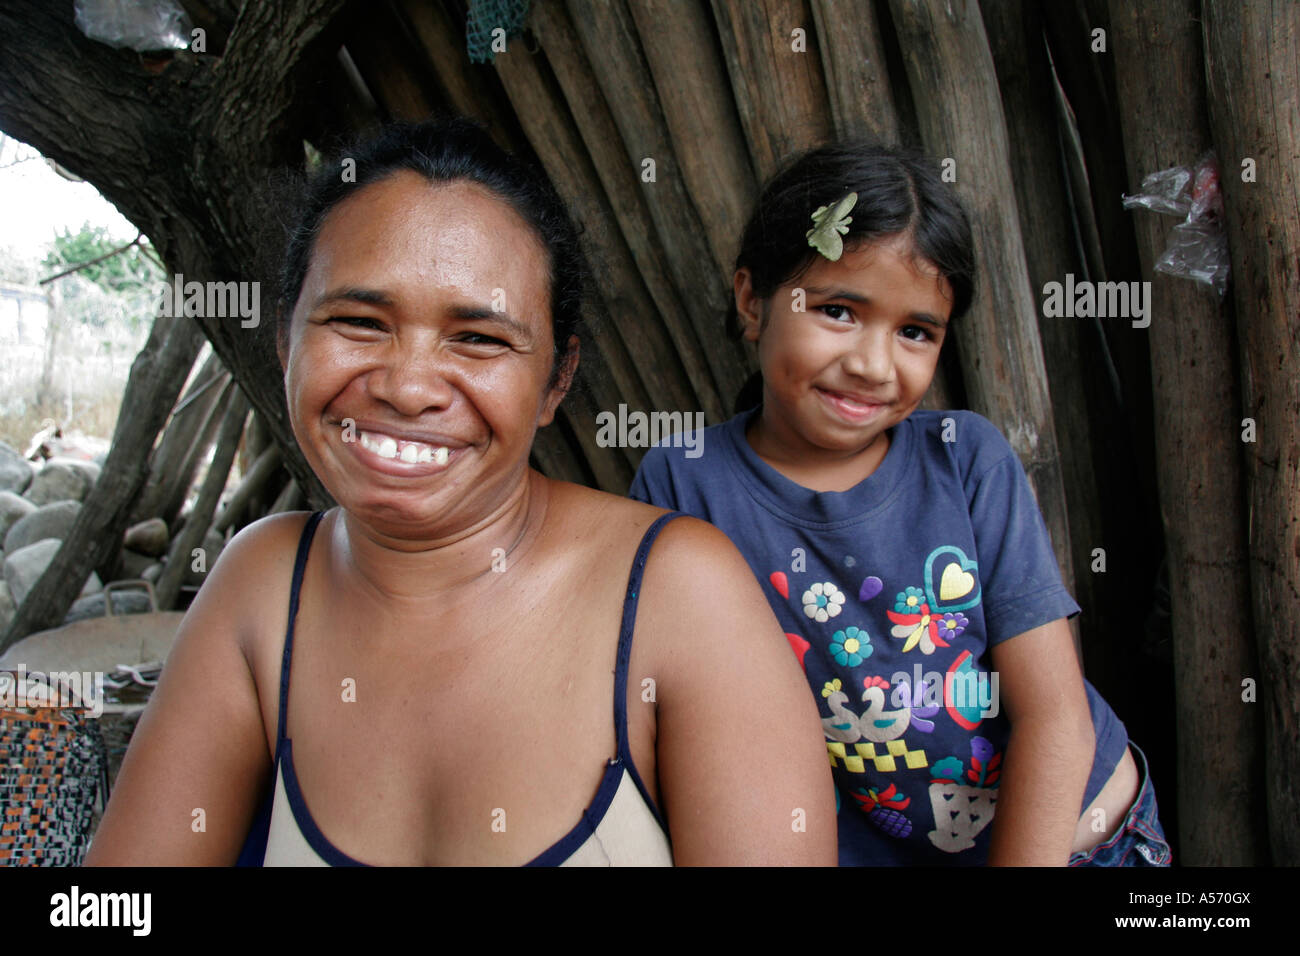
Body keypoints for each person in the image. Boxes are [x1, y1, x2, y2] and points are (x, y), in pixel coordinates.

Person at [85, 119, 836, 866]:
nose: (408, 388)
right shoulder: (262, 585)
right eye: (357, 321)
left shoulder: (678, 595)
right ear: (286, 342)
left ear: (556, 381)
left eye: (478, 339)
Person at [629, 142, 1171, 867]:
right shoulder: (684, 486)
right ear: (753, 301)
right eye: (838, 311)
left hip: (1082, 841)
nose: (873, 364)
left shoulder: (966, 460)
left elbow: (1055, 716)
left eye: (915, 331)